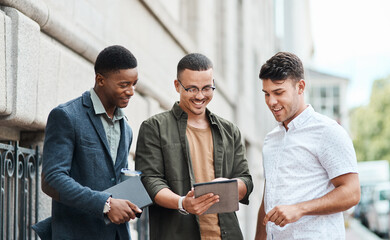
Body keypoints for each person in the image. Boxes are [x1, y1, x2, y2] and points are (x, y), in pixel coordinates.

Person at [135, 53, 253, 240]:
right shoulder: (154, 127)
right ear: (177, 85)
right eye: (192, 89)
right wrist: (183, 203)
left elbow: (246, 180)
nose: (200, 96)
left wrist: (230, 186)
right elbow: (150, 181)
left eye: (207, 88)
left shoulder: (230, 131)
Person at [32, 45, 142, 240]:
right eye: (124, 84)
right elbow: (52, 179)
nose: (131, 91)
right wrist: (105, 204)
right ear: (100, 80)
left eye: (134, 84)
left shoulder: (126, 128)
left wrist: (130, 199)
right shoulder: (66, 116)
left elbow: (114, 179)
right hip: (76, 233)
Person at [255, 52, 361, 240]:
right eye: (267, 94)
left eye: (279, 92)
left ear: (300, 87)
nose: (271, 102)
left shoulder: (328, 131)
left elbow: (351, 193)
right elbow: (268, 199)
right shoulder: (271, 139)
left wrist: (300, 209)